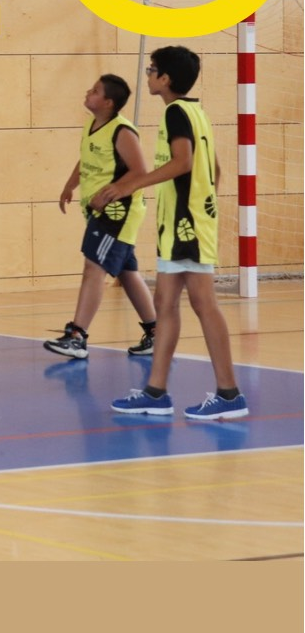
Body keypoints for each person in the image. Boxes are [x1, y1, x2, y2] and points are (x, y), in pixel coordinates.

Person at [94, 46, 248, 421]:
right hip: (181, 224)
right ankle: (156, 392)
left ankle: (229, 394)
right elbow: (213, 170)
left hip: (186, 225)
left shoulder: (176, 112)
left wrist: (130, 186)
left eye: (152, 70)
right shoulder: (195, 111)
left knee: (203, 303)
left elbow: (184, 162)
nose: (147, 74)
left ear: (165, 79)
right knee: (164, 304)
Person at [46, 73, 157, 359]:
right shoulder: (92, 124)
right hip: (100, 211)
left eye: (95, 91)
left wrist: (110, 192)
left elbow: (140, 172)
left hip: (117, 211)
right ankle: (157, 332)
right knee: (127, 272)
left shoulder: (123, 131)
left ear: (108, 102)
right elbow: (87, 158)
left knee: (93, 266)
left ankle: (77, 336)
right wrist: (70, 185)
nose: (88, 92)